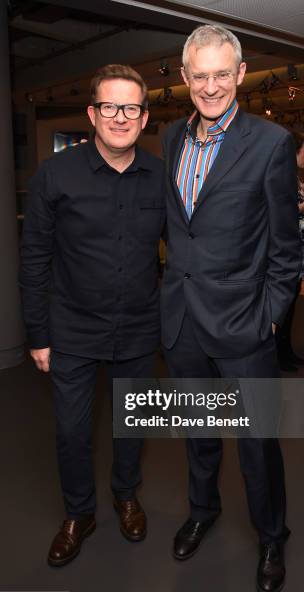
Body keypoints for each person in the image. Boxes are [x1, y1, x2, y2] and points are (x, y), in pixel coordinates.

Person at [161, 25, 301, 592]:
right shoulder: (170, 137)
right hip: (183, 320)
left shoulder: (270, 143)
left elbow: (285, 247)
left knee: (257, 442)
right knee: (197, 430)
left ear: (241, 75)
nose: (211, 86)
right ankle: (203, 508)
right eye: (200, 75)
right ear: (185, 77)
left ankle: (272, 535)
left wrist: (268, 316)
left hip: (244, 323)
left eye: (223, 73)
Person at [19, 64, 165, 566]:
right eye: (109, 107)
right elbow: (34, 258)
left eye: (130, 108)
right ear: (92, 114)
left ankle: (126, 496)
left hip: (141, 327)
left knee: (132, 422)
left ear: (143, 117)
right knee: (72, 432)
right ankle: (79, 513)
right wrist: (38, 334)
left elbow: (188, 253)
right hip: (72, 329)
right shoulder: (54, 176)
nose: (119, 117)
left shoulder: (162, 179)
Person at [276, 130, 304, 371]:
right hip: (285, 254)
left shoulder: (294, 177)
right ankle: (280, 354)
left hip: (296, 254)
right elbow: (286, 213)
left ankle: (286, 351)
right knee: (283, 309)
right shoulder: (282, 177)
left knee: (291, 306)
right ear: (293, 152)